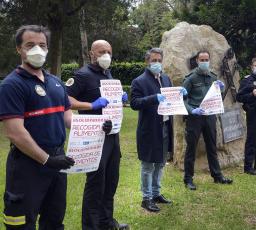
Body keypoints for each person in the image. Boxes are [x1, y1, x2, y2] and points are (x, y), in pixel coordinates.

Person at [0, 25, 76, 230]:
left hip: (58, 160)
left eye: (42, 45)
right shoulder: (11, 85)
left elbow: (66, 115)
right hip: (27, 164)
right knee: (21, 224)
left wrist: (94, 126)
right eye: (30, 45)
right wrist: (46, 160)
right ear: (19, 49)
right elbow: (15, 132)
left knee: (54, 220)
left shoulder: (56, 83)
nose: (37, 50)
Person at [66, 40, 128, 230]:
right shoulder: (82, 75)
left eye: (109, 51)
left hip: (112, 135)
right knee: (95, 185)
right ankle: (91, 227)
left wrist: (120, 97)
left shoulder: (108, 73)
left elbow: (111, 100)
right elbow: (65, 98)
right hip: (94, 138)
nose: (106, 55)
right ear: (91, 53)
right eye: (101, 51)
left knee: (111, 181)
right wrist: (91, 105)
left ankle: (106, 222)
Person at [131, 48, 185, 212]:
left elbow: (172, 100)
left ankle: (156, 193)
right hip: (149, 129)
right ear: (147, 62)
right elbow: (134, 103)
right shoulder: (139, 81)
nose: (157, 63)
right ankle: (146, 198)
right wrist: (153, 98)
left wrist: (182, 94)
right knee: (148, 165)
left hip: (165, 127)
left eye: (159, 60)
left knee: (161, 163)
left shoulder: (166, 78)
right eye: (153, 60)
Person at [182, 50, 233, 190]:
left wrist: (221, 89)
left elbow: (216, 97)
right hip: (195, 117)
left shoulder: (213, 77)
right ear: (197, 61)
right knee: (191, 149)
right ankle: (188, 179)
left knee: (212, 147)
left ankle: (217, 176)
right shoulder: (190, 78)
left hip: (210, 117)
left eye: (207, 59)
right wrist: (192, 110)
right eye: (202, 60)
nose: (205, 62)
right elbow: (182, 99)